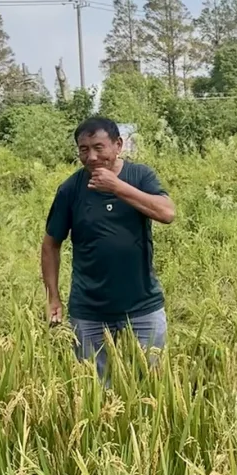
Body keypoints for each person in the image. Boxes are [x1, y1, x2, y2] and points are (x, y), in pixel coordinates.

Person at [41, 116, 175, 381]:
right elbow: (50, 246)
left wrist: (117, 187)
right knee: (94, 389)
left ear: (118, 145)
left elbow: (167, 213)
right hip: (89, 311)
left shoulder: (140, 176)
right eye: (84, 149)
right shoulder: (70, 189)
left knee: (152, 384)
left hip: (143, 305)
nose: (91, 157)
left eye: (99, 147)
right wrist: (53, 297)